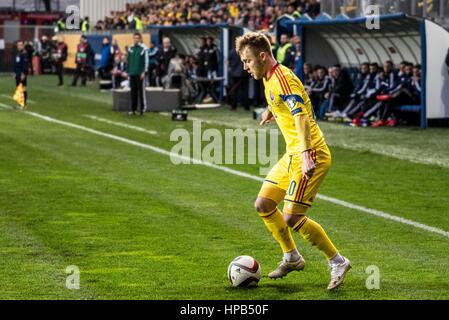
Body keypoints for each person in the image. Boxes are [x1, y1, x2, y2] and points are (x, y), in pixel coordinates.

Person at [236, 32, 351, 290]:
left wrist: (307, 152)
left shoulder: (282, 79)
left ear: (263, 56)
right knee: (264, 204)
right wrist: (271, 111)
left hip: (311, 154)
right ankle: (292, 257)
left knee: (292, 217)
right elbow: (286, 105)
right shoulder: (268, 77)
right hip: (292, 154)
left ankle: (338, 261)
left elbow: (301, 117)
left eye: (247, 61)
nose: (245, 67)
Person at [127, 32, 148, 116]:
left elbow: (146, 61)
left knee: (141, 92)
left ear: (140, 39)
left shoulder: (144, 48)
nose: (135, 39)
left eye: (137, 38)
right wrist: (128, 71)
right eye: (134, 38)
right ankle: (133, 109)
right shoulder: (130, 48)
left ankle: (143, 109)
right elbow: (129, 60)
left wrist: (144, 71)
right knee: (133, 92)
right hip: (132, 73)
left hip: (140, 73)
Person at [13, 40, 29, 108]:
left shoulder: (24, 53)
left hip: (22, 73)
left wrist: (23, 73)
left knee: (23, 88)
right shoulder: (18, 53)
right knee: (18, 88)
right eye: (18, 45)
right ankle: (19, 103)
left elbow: (25, 65)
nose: (19, 46)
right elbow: (16, 64)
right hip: (17, 73)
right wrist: (14, 72)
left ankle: (23, 104)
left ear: (23, 45)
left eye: (20, 45)